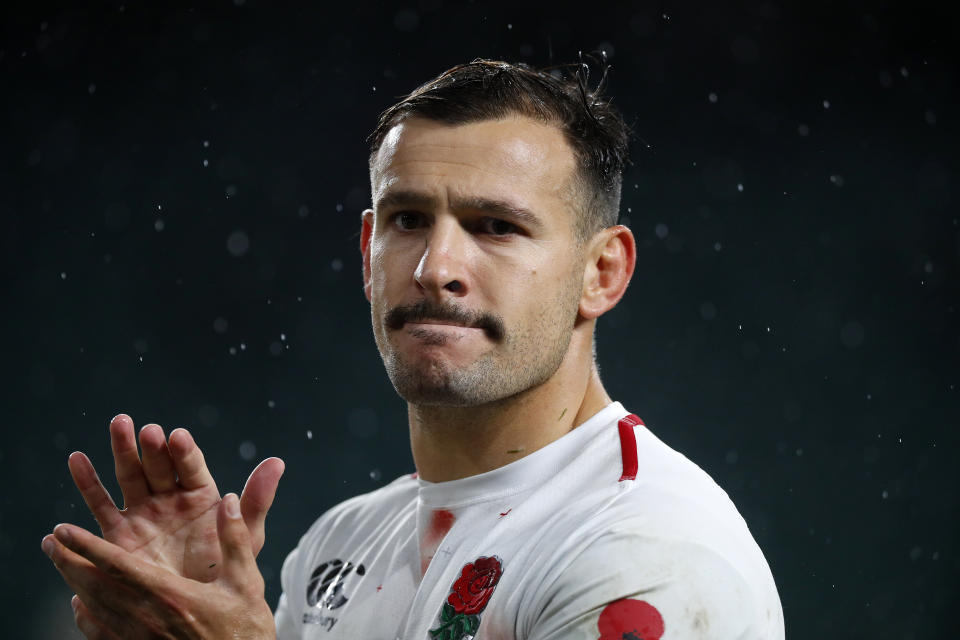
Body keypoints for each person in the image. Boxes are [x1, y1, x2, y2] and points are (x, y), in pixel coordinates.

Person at [42, 59, 785, 639]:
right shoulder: (342, 542)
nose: (436, 268)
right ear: (368, 249)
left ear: (602, 273)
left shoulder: (648, 551)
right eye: (407, 220)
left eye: (496, 226)